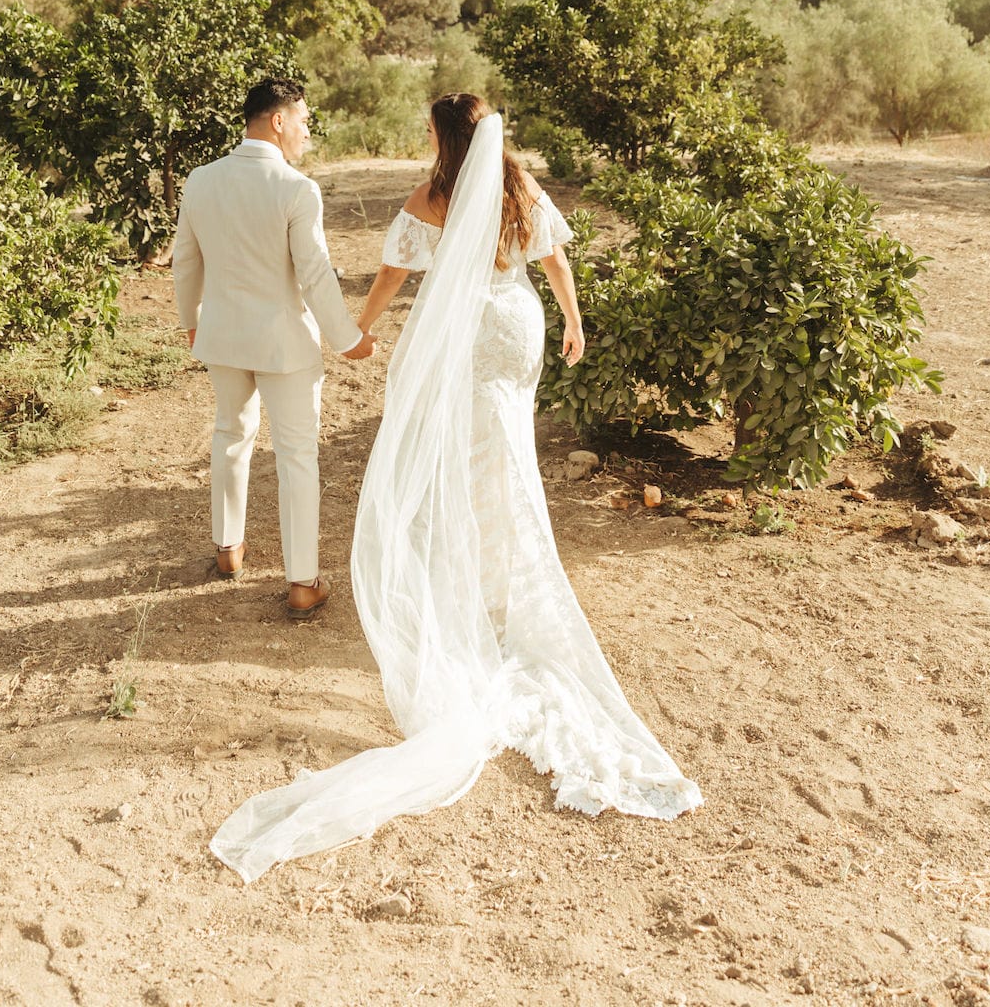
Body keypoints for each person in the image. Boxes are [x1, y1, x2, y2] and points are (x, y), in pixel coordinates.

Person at [210, 93, 701, 882]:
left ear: (443, 135)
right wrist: (573, 320)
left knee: (470, 455)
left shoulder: (431, 196)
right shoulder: (519, 186)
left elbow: (393, 276)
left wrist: (357, 332)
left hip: (467, 331)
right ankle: (502, 576)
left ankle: (475, 579)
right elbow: (556, 260)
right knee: (507, 450)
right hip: (517, 324)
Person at [172, 77, 374, 621]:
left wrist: (191, 321)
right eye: (303, 121)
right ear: (278, 120)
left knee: (230, 435)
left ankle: (228, 549)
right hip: (285, 344)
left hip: (222, 335)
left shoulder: (200, 180)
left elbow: (185, 261)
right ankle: (303, 581)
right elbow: (313, 275)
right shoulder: (295, 189)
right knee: (296, 457)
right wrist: (349, 338)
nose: (308, 132)